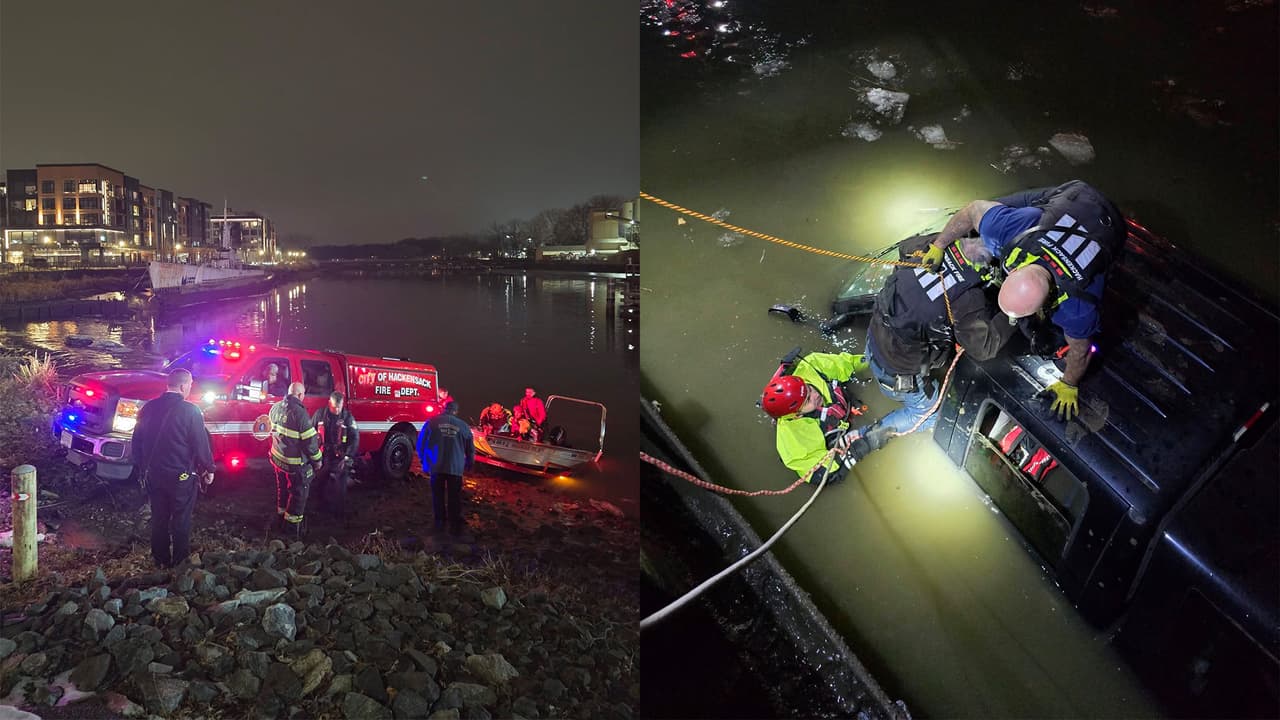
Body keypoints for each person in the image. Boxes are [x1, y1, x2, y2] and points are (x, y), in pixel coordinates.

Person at [920, 180, 1125, 420]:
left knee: (1101, 266)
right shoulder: (1009, 230)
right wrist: (939, 245)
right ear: (1016, 269)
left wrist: (1069, 383)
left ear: (1047, 303)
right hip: (1074, 198)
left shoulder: (1077, 308)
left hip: (1112, 227)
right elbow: (972, 209)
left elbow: (1080, 351)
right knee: (997, 211)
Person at [865, 232, 1021, 436]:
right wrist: (1015, 312)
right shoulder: (967, 299)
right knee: (927, 414)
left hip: (874, 339)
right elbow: (984, 347)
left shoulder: (933, 246)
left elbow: (905, 246)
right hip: (896, 373)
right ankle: (864, 439)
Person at [760, 350, 890, 484]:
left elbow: (848, 363)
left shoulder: (812, 365)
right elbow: (823, 474)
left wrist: (877, 360)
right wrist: (862, 447)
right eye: (807, 401)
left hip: (847, 406)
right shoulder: (793, 440)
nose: (815, 395)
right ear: (796, 415)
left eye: (809, 389)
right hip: (838, 436)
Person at [131, 369, 215, 569]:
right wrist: (209, 468)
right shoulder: (191, 411)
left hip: (153, 475)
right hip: (181, 478)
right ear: (184, 386)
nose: (190, 388)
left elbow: (137, 442)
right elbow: (200, 444)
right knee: (181, 519)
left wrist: (141, 468)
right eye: (191, 385)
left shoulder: (148, 408)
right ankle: (179, 562)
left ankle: (160, 559)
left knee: (159, 517)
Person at [269, 381, 323, 536]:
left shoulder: (275, 407)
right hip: (294, 465)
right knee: (298, 494)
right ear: (300, 395)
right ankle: (291, 532)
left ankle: (280, 516)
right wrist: (318, 461)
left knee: (282, 489)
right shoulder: (300, 414)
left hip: (278, 460)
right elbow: (311, 444)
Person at [415, 399, 475, 535]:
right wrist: (469, 463)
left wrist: (423, 460)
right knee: (454, 496)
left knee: (438, 495)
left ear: (444, 408)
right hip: (455, 467)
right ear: (456, 411)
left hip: (436, 466)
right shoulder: (464, 426)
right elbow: (470, 449)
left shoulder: (431, 423)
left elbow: (420, 444)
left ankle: (439, 521)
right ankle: (454, 523)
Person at [311, 390, 359, 521]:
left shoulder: (348, 417)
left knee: (340, 486)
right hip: (323, 455)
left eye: (340, 406)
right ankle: (319, 509)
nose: (337, 410)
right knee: (319, 482)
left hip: (340, 457)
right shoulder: (320, 415)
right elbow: (310, 432)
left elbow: (354, 438)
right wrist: (312, 454)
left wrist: (348, 456)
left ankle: (338, 514)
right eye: (334, 407)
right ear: (329, 404)